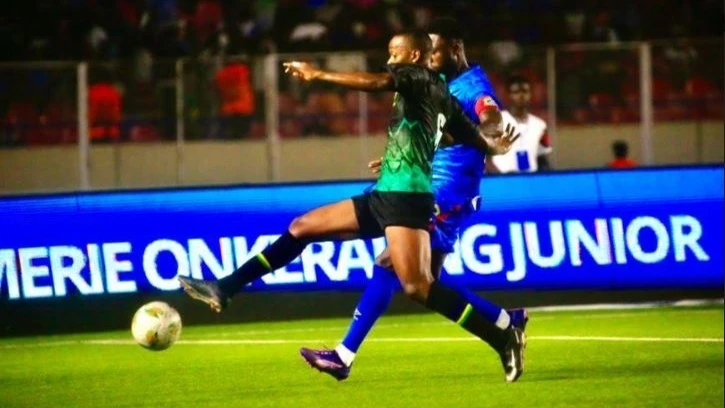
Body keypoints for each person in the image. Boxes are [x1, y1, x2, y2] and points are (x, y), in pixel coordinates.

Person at [178, 29, 525, 382]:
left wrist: (319, 74)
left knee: (418, 287)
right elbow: (460, 133)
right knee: (302, 227)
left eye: (395, 53)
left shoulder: (417, 76)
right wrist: (478, 148)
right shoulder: (438, 92)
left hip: (407, 201)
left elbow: (374, 83)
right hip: (386, 193)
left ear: (415, 57)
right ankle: (226, 287)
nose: (390, 61)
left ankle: (501, 335)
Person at [300, 17, 528, 383]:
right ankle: (505, 322)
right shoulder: (439, 84)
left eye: (435, 52)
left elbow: (490, 118)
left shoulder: (473, 86)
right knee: (425, 280)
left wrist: (489, 134)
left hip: (447, 192)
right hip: (427, 182)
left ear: (455, 49)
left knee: (393, 262)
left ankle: (344, 354)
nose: (431, 59)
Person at [489, 75, 552, 173]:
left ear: (531, 94)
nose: (521, 95)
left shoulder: (540, 125)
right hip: (502, 181)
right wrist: (497, 175)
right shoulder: (495, 121)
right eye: (516, 92)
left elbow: (542, 157)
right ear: (508, 95)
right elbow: (483, 156)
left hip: (531, 181)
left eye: (525, 91)